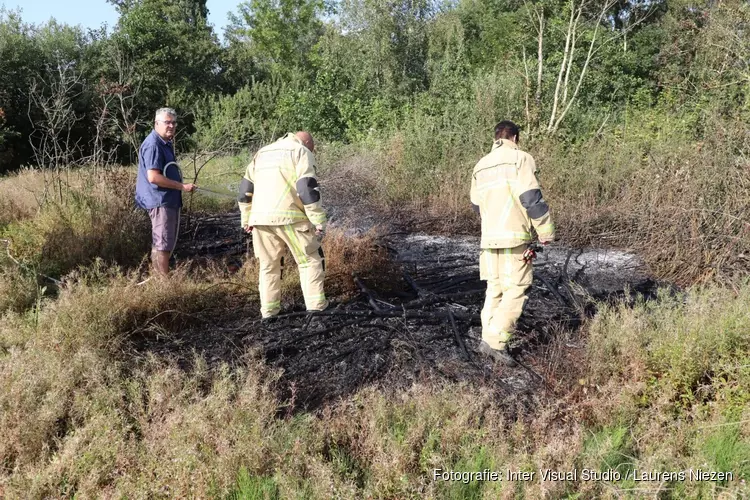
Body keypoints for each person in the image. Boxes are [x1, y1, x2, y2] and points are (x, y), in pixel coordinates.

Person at [470, 120, 555, 365]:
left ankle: (487, 338)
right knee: (517, 289)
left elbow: (476, 204)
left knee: (494, 289)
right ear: (515, 138)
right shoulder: (521, 159)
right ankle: (496, 343)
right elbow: (531, 198)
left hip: (489, 239)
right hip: (514, 238)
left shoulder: (480, 165)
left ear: (495, 138)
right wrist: (546, 231)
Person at [238, 131, 328, 318]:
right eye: (313, 147)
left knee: (268, 266)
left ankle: (269, 313)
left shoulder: (262, 152)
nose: (313, 151)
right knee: (309, 260)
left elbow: (245, 189)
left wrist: (246, 218)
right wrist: (318, 219)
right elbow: (307, 188)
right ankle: (316, 309)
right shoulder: (300, 151)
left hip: (260, 218)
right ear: (307, 142)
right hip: (292, 218)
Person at [135, 107, 196, 276]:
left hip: (166, 200)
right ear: (156, 123)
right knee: (162, 243)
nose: (171, 126)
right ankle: (163, 284)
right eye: (167, 122)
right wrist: (182, 187)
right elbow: (153, 177)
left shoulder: (164, 143)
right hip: (160, 200)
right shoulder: (154, 145)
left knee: (162, 242)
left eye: (173, 123)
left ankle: (160, 280)